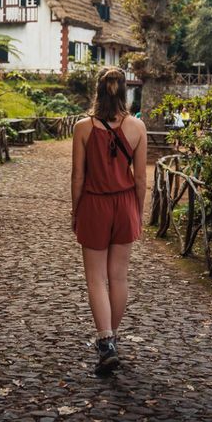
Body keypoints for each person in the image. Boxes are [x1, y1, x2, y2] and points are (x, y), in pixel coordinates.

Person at [71, 67, 147, 375]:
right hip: (125, 204)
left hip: (95, 204)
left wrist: (75, 211)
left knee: (95, 278)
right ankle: (110, 340)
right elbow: (140, 178)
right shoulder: (138, 127)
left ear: (98, 91)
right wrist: (138, 211)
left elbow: (78, 177)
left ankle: (105, 342)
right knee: (118, 277)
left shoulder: (83, 128)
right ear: (125, 91)